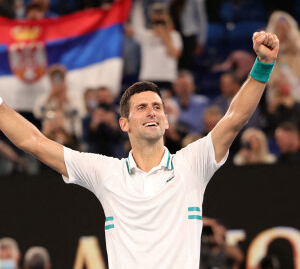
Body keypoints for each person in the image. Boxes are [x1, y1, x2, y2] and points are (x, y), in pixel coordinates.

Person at [0, 31, 279, 268]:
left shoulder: (192, 164)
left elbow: (233, 120)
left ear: (167, 120)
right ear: (124, 123)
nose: (152, 112)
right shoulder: (106, 173)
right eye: (142, 107)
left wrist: (262, 66)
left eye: (157, 107)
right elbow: (33, 142)